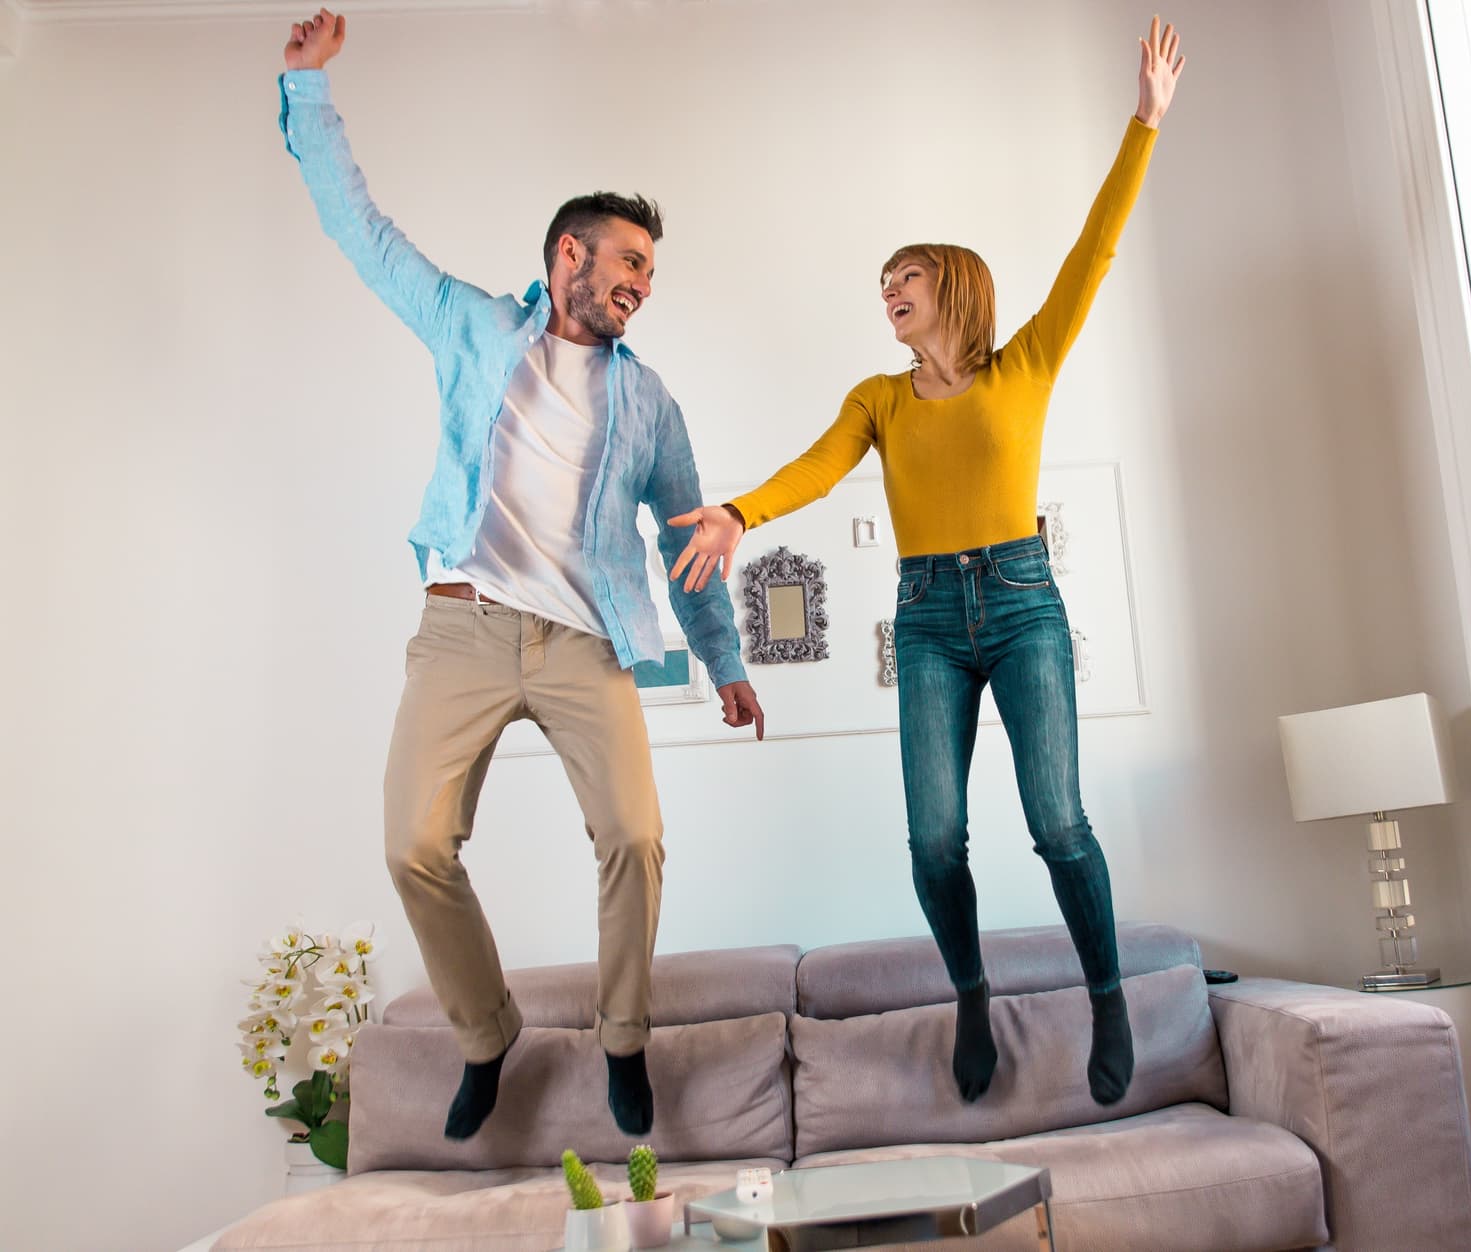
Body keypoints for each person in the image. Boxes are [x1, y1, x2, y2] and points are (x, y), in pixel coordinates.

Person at [667, 16, 1185, 1105]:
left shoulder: (1026, 364)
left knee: (1059, 824)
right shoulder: (879, 398)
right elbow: (816, 465)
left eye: (907, 277)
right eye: (883, 282)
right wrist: (737, 514)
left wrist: (1143, 125)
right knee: (935, 837)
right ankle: (969, 990)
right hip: (929, 617)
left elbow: (1094, 249)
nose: (889, 291)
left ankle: (1104, 993)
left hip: (1023, 600)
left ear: (954, 287)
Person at [279, 8, 765, 1140]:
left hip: (586, 643)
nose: (643, 282)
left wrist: (724, 659)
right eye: (629, 261)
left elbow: (693, 538)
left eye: (651, 269)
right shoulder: (467, 326)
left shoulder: (649, 402)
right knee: (412, 843)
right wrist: (307, 91)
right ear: (568, 257)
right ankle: (487, 1034)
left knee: (635, 838)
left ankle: (624, 1039)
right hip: (465, 625)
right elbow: (364, 231)